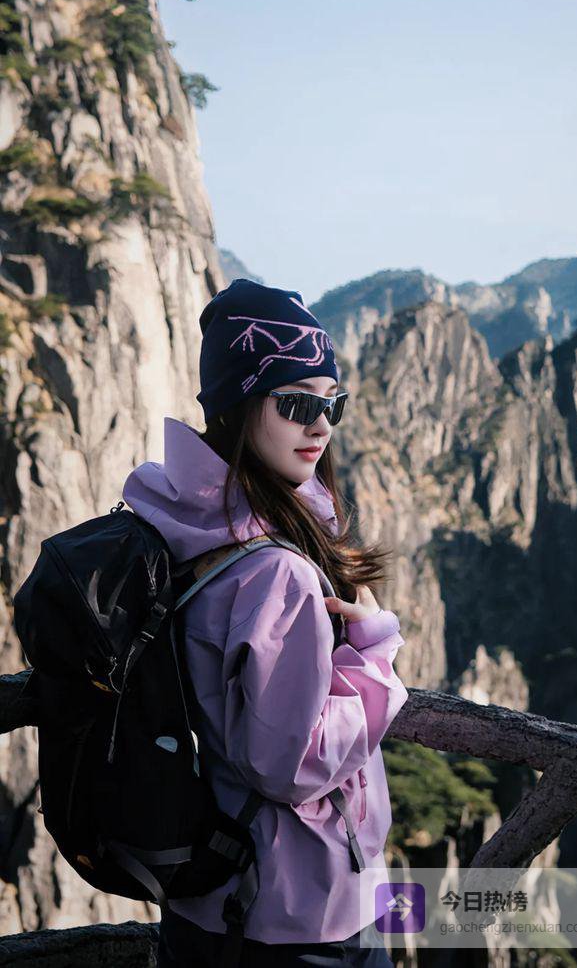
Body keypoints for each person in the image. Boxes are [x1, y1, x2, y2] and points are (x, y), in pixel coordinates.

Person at [121, 279, 409, 966]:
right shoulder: (278, 573)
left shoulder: (181, 518)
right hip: (294, 913)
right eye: (298, 402)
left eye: (332, 403)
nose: (322, 425)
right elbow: (293, 764)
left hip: (210, 888)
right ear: (240, 403)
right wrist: (376, 659)